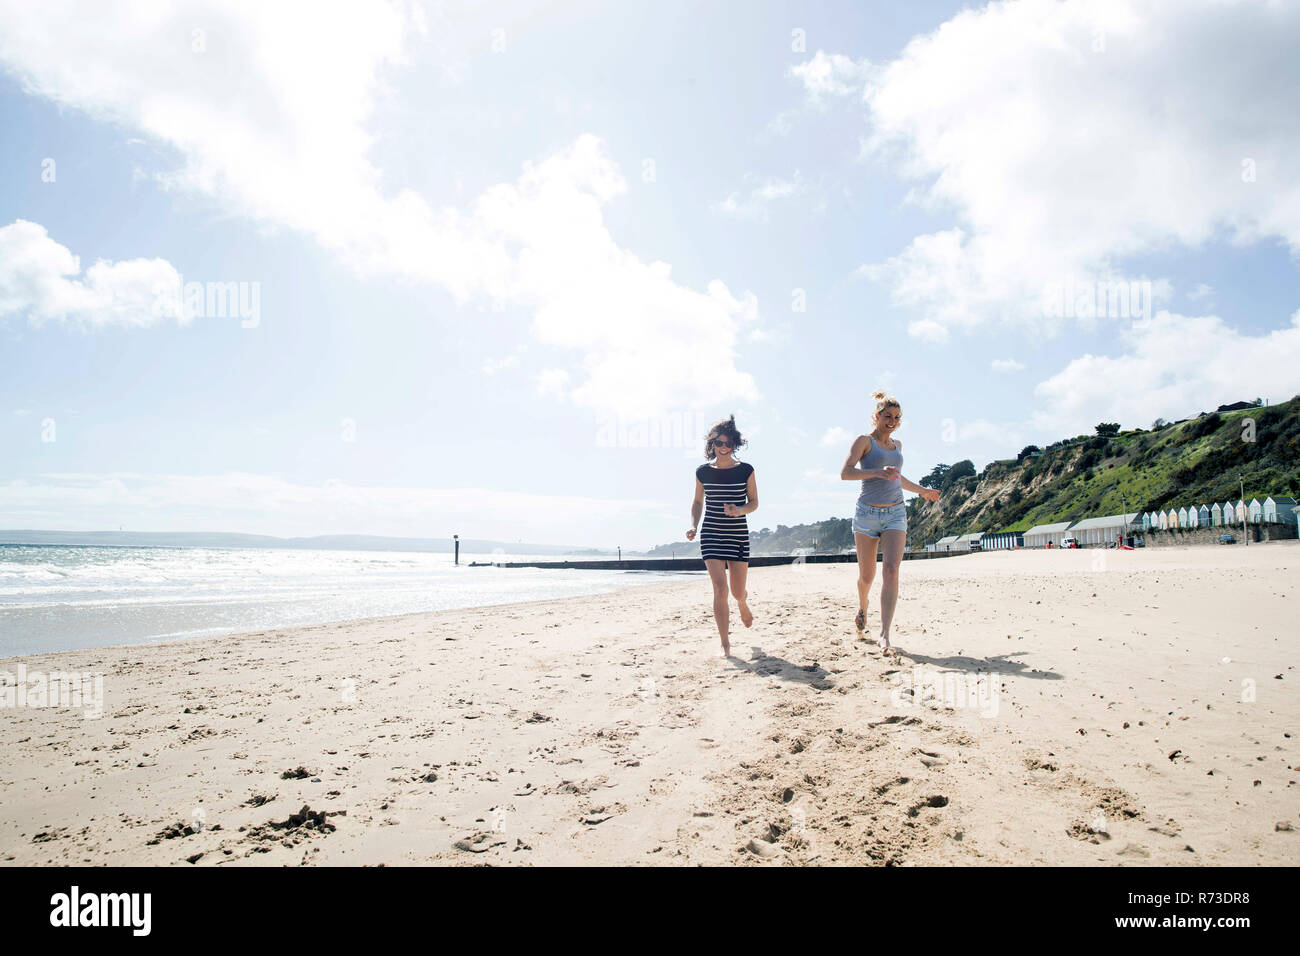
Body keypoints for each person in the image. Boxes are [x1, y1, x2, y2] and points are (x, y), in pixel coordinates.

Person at [840, 390, 940, 655]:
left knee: (892, 570)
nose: (892, 421)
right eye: (887, 416)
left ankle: (884, 634)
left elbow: (897, 479)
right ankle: (863, 606)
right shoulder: (864, 442)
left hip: (896, 512)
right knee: (867, 576)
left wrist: (923, 491)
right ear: (877, 416)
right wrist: (876, 472)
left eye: (896, 417)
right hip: (866, 515)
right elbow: (845, 473)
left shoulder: (898, 446)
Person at [686, 416, 758, 657]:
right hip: (711, 535)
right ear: (712, 444)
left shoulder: (746, 470)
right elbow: (698, 502)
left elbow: (754, 502)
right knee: (719, 589)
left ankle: (743, 603)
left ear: (734, 443)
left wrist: (740, 510)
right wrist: (694, 526)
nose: (723, 447)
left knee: (737, 592)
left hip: (737, 535)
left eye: (728, 442)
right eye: (719, 443)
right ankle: (725, 643)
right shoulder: (703, 472)